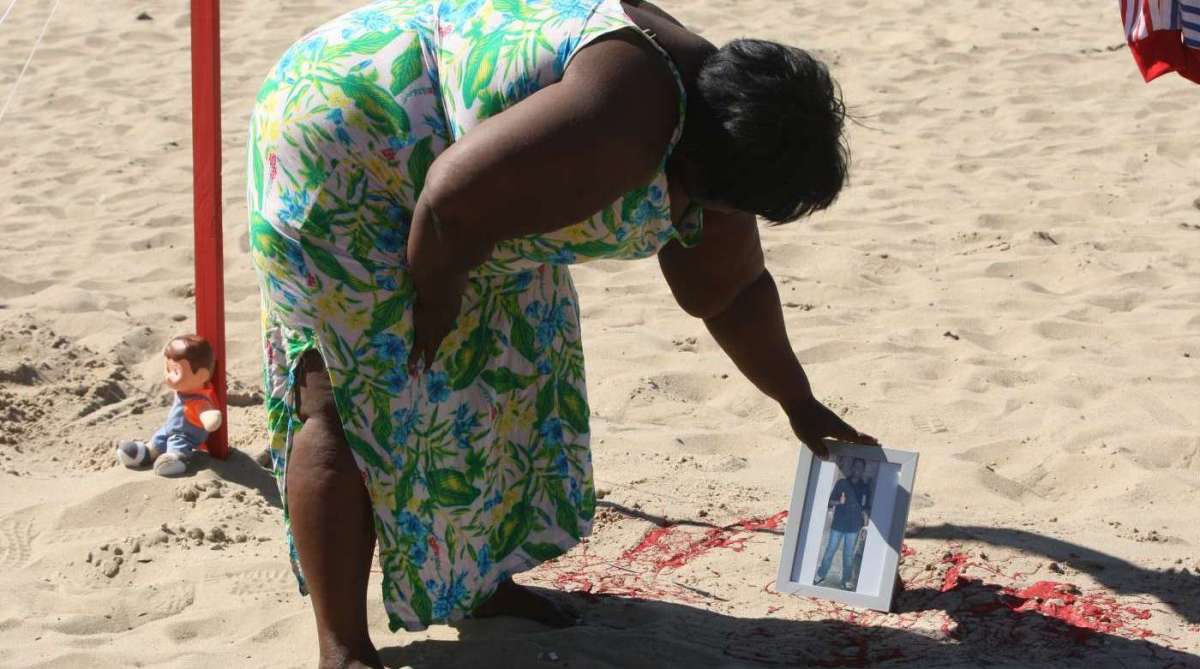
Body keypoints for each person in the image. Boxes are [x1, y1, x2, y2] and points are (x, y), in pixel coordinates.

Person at [247, 0, 877, 666]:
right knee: (348, 389)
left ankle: (477, 581)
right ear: (698, 167)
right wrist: (435, 297)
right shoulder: (623, 119)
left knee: (505, 359)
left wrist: (798, 402)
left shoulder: (727, 120)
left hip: (461, 174)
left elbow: (729, 291)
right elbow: (450, 198)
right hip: (348, 132)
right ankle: (341, 645)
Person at [116, 335, 222, 477]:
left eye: (176, 371)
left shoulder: (198, 401)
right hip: (168, 429)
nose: (169, 376)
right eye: (168, 369)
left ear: (202, 375)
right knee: (158, 440)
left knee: (177, 444)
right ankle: (144, 454)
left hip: (185, 436)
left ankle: (176, 458)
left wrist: (211, 417)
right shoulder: (181, 391)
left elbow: (206, 413)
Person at [815, 457, 872, 590]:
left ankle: (846, 580)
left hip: (854, 527)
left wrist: (865, 527)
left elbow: (866, 509)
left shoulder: (865, 487)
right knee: (830, 551)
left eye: (860, 468)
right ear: (852, 468)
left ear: (863, 470)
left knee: (848, 555)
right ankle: (821, 574)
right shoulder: (842, 483)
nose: (858, 470)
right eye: (856, 467)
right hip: (838, 524)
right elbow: (829, 502)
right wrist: (839, 502)